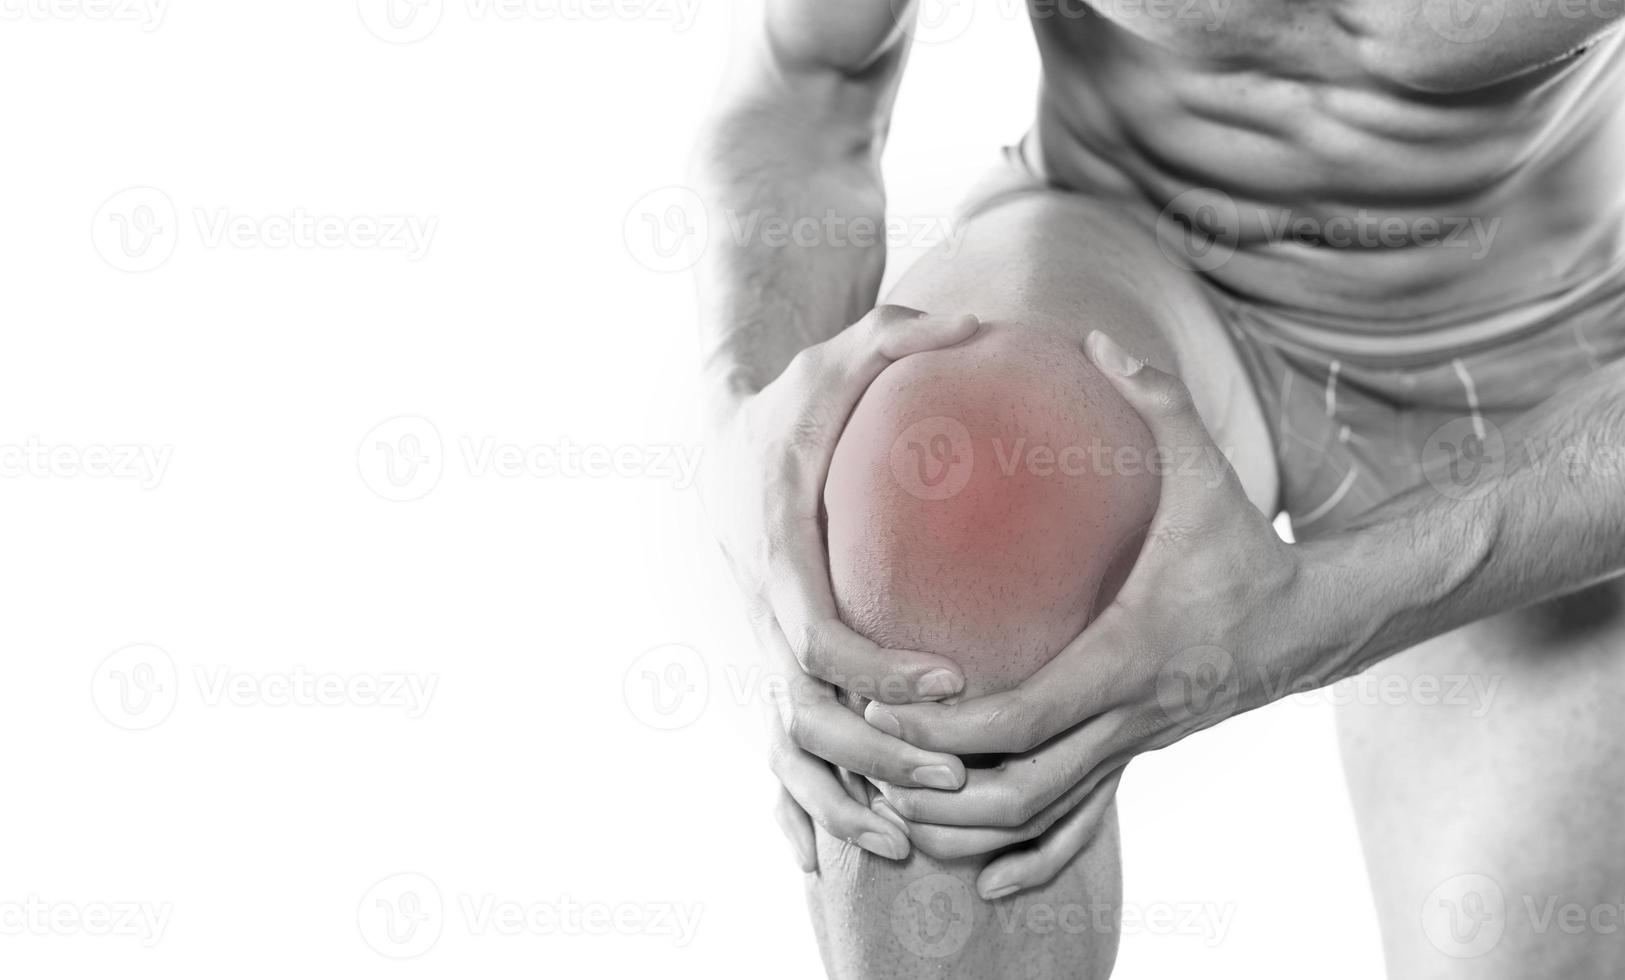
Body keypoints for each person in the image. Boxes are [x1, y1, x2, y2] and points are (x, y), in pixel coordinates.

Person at [695, 1, 1625, 975]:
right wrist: (740, 416)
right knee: (947, 499)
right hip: (1127, 240)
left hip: (1550, 347)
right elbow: (810, 78)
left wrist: (1328, 609)